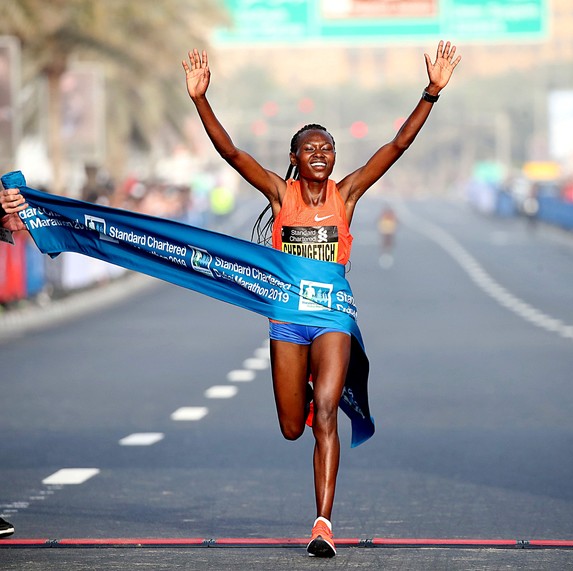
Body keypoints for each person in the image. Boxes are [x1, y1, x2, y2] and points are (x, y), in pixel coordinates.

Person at [1, 40, 461, 558]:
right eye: (309, 148)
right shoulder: (278, 193)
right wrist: (201, 100)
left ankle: (322, 524)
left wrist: (431, 93)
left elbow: (396, 146)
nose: (319, 154)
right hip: (286, 319)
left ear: (335, 159)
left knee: (327, 412)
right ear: (294, 158)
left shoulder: (348, 194)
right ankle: (308, 400)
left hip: (333, 316)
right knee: (294, 427)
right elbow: (231, 153)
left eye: (327, 149)